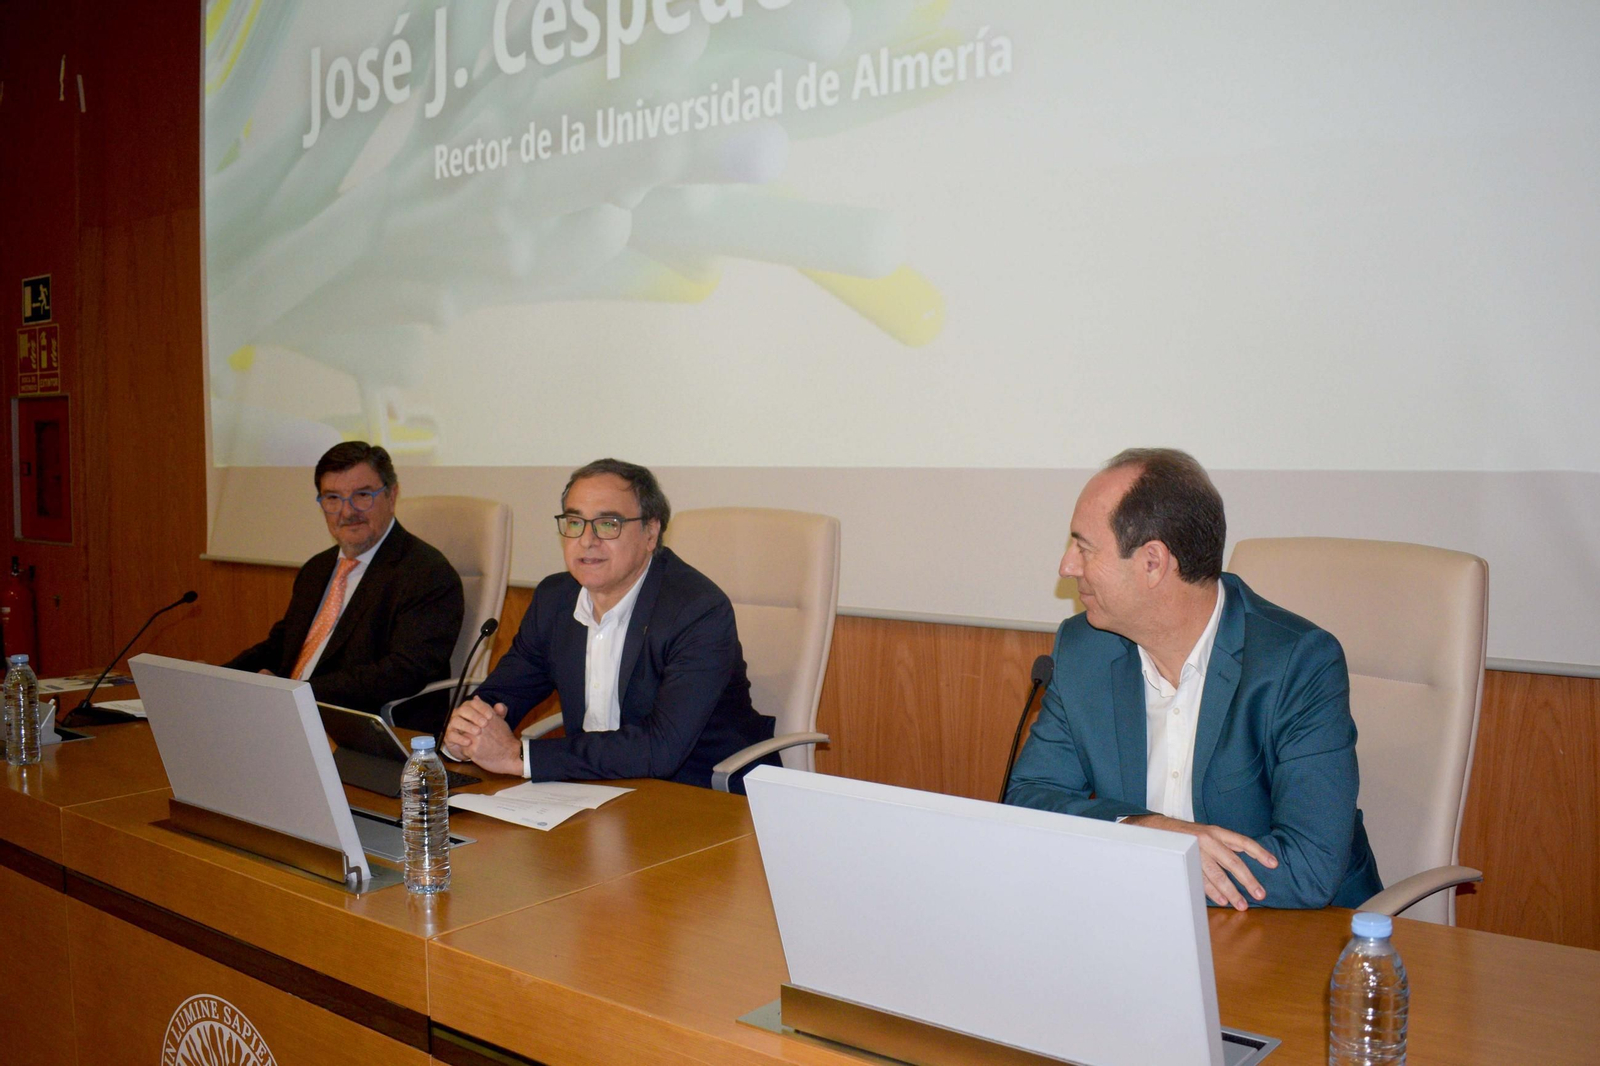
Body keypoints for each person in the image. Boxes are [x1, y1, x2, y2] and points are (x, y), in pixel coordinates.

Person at [1005, 448, 1381, 910]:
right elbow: (1028, 800)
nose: (1067, 566)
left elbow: (1311, 865)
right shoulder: (1085, 649)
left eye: (1084, 548)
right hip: (1152, 918)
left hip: (1306, 938)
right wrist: (1144, 833)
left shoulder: (1297, 664)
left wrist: (1170, 860)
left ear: (1153, 563)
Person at [442, 458, 776, 791]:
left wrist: (519, 756)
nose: (587, 540)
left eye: (608, 524)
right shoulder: (555, 599)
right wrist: (467, 731)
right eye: (575, 522)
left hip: (697, 796)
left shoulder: (696, 610)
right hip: (592, 792)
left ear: (650, 532)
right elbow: (505, 693)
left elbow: (661, 748)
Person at [224, 441, 463, 714]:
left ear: (392, 495)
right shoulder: (317, 568)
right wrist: (220, 678)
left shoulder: (427, 573)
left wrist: (299, 694)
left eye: (362, 495)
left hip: (357, 725)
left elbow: (403, 672)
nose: (347, 512)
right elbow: (280, 645)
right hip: (288, 712)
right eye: (333, 498)